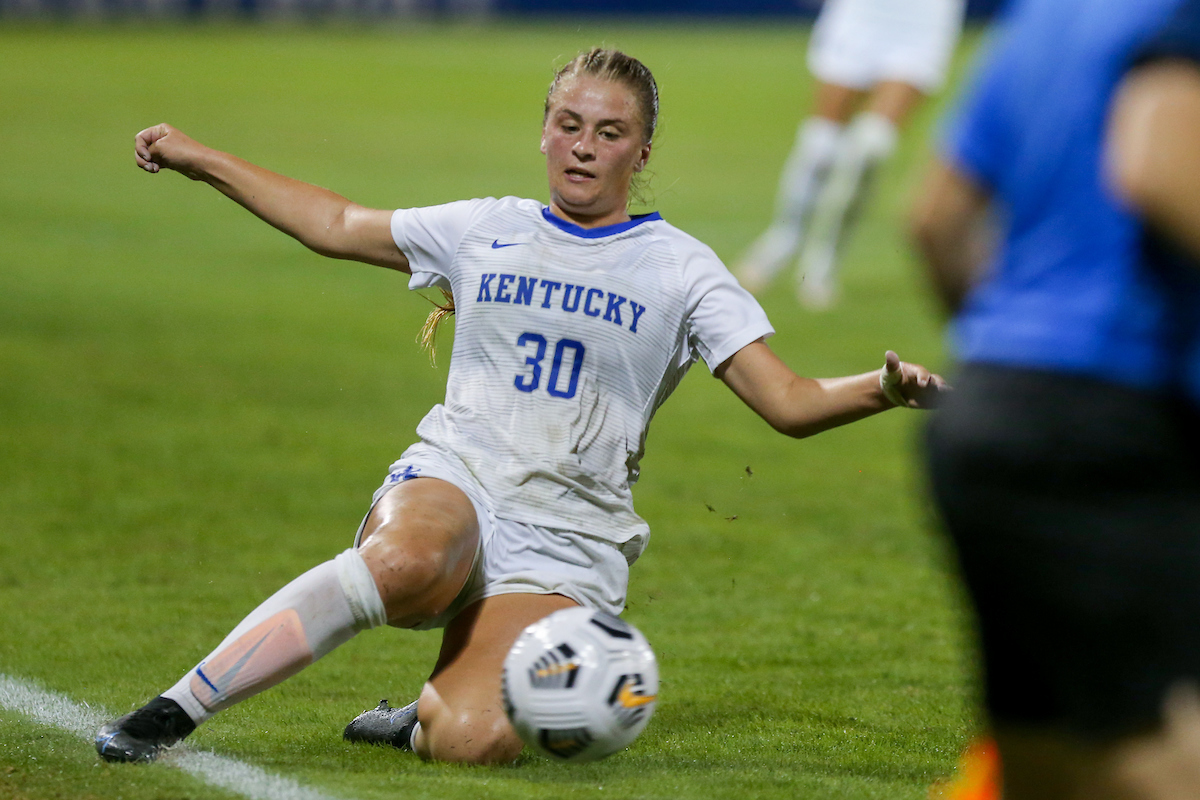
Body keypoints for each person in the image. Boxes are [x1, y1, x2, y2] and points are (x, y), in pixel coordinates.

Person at [94, 48, 947, 767]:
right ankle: (176, 709)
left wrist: (882, 389)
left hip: (572, 537)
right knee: (412, 561)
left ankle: (421, 715)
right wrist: (200, 157)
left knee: (474, 740)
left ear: (641, 152)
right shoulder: (483, 228)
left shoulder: (683, 269)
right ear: (544, 130)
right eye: (570, 125)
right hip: (460, 475)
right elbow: (336, 221)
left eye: (610, 133)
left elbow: (787, 401)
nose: (584, 148)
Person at [911, 0, 1200, 797]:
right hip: (1116, 422)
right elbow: (1156, 163)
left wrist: (1016, 361)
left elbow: (934, 219)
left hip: (990, 416)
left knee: (1048, 768)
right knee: (1165, 752)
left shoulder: (1042, 24)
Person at [736, 0, 965, 308]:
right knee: (820, 144)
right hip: (865, 13)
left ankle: (822, 261)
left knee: (873, 146)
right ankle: (783, 240)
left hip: (924, 20)